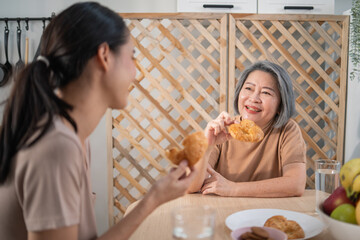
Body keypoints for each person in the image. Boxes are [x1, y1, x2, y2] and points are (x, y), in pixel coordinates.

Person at [0, 2, 196, 240]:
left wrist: (153, 198)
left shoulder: (72, 137)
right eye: (132, 57)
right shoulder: (57, 146)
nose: (136, 73)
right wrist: (152, 200)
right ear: (104, 56)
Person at [188, 61, 306, 197]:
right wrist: (207, 146)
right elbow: (191, 186)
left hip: (266, 211)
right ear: (239, 93)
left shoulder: (287, 130)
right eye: (249, 88)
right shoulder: (224, 129)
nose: (254, 98)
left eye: (266, 92)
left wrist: (233, 189)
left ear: (280, 105)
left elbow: (295, 185)